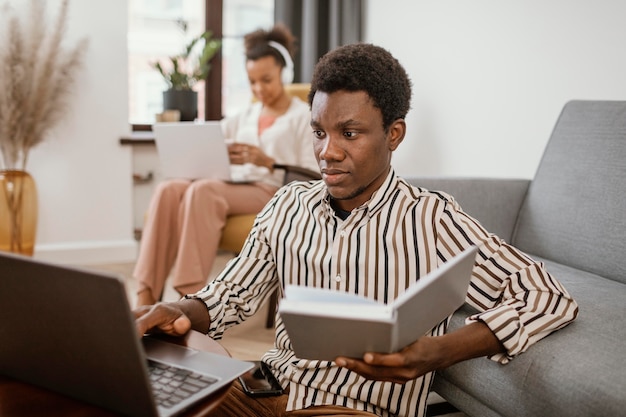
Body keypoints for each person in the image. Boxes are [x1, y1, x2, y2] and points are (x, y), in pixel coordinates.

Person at [135, 43, 578, 417]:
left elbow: (548, 295)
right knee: (135, 392)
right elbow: (228, 296)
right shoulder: (288, 205)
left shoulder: (433, 219)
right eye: (319, 132)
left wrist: (438, 352)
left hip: (349, 409)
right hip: (265, 389)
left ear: (394, 134)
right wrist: (178, 310)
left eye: (349, 133)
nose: (327, 152)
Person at [134, 24, 318, 307]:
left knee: (204, 191)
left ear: (286, 73)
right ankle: (145, 295)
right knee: (169, 188)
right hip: (232, 184)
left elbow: (311, 172)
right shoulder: (243, 115)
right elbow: (209, 144)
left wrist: (268, 162)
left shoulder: (303, 116)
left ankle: (188, 299)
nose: (259, 89)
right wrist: (219, 153)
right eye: (253, 81)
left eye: (266, 80)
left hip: (272, 189)